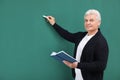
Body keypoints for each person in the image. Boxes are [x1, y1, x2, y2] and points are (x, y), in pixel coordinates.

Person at [44, 9, 109, 80]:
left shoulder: (101, 41)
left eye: (91, 20)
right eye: (86, 20)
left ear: (99, 22)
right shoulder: (81, 36)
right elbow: (67, 35)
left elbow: (101, 65)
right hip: (77, 77)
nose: (88, 23)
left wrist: (78, 65)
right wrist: (54, 24)